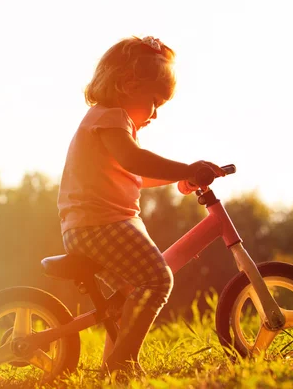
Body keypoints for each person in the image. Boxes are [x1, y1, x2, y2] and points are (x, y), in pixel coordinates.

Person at [57, 36, 225, 376]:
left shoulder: (110, 123)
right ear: (126, 84)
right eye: (154, 101)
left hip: (99, 225)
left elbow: (135, 174)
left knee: (132, 290)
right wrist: (186, 168)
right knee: (157, 279)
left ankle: (113, 363)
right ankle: (122, 363)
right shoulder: (110, 118)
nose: (156, 114)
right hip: (99, 225)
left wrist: (183, 178)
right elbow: (135, 161)